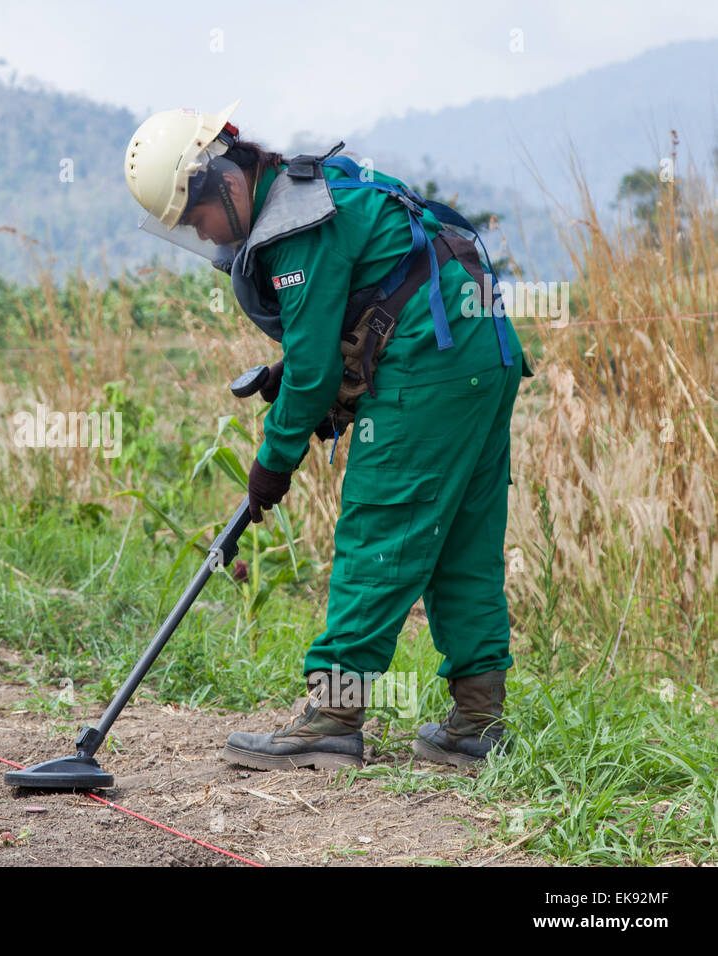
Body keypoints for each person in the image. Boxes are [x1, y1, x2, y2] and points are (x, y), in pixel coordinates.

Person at [123, 101, 535, 771]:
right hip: (482, 357)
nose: (204, 235)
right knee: (462, 540)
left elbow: (315, 374)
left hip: (430, 370)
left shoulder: (296, 225)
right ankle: (477, 724)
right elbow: (354, 309)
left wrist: (271, 464)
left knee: (380, 533)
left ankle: (333, 718)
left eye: (196, 217)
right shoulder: (314, 189)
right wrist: (305, 375)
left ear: (222, 180)